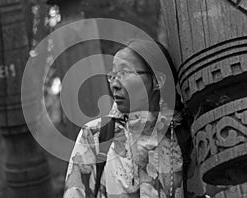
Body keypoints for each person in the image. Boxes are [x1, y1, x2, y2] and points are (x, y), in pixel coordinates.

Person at [63, 39, 190, 198]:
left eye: (124, 73)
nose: (115, 84)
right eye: (113, 75)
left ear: (157, 81)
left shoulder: (184, 133)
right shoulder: (96, 135)